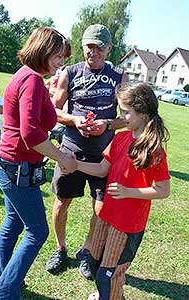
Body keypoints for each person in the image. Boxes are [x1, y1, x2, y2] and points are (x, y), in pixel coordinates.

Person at [0, 27, 76, 300]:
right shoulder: (32, 80)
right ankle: (3, 293)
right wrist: (61, 156)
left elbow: (35, 123)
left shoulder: (28, 77)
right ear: (43, 50)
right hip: (16, 167)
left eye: (64, 57)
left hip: (9, 164)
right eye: (58, 55)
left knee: (13, 221)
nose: (62, 62)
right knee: (37, 231)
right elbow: (31, 134)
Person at [76, 82, 170, 300]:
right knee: (97, 261)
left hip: (127, 224)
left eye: (126, 112)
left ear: (144, 114)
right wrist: (76, 164)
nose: (122, 117)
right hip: (107, 216)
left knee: (109, 274)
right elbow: (101, 169)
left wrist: (129, 191)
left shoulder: (153, 150)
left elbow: (163, 190)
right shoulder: (120, 138)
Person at [46, 24, 126, 278]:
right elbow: (53, 111)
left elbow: (128, 118)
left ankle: (88, 252)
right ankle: (60, 249)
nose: (93, 52)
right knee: (61, 202)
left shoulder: (118, 75)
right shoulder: (69, 72)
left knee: (100, 209)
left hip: (105, 153)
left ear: (109, 48)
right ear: (83, 46)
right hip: (71, 149)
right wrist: (74, 120)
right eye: (89, 47)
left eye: (99, 47)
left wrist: (107, 124)